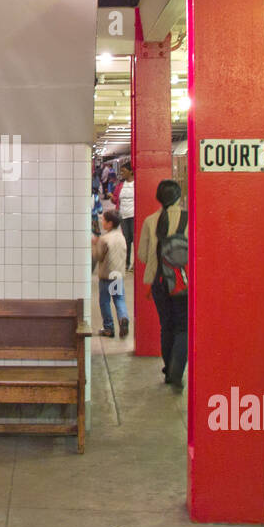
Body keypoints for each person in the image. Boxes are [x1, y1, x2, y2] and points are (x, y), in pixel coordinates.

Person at [138, 179, 187, 389]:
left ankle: (168, 369)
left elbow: (141, 255)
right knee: (183, 328)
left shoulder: (150, 221)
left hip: (159, 282)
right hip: (183, 283)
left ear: (159, 197)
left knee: (166, 326)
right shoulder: (190, 218)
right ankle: (177, 370)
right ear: (178, 196)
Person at [92, 209, 129, 338]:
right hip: (118, 275)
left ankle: (109, 328)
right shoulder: (121, 237)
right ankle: (123, 318)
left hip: (107, 276)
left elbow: (98, 256)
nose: (102, 222)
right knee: (119, 299)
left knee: (105, 302)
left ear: (110, 223)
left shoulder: (104, 239)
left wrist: (94, 245)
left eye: (104, 220)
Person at [117, 163, 135, 262]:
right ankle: (127, 262)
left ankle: (135, 263)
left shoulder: (137, 184)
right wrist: (112, 198)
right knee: (126, 240)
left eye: (123, 171)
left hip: (134, 216)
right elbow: (117, 199)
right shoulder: (121, 185)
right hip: (123, 216)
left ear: (131, 172)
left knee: (134, 239)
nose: (121, 173)